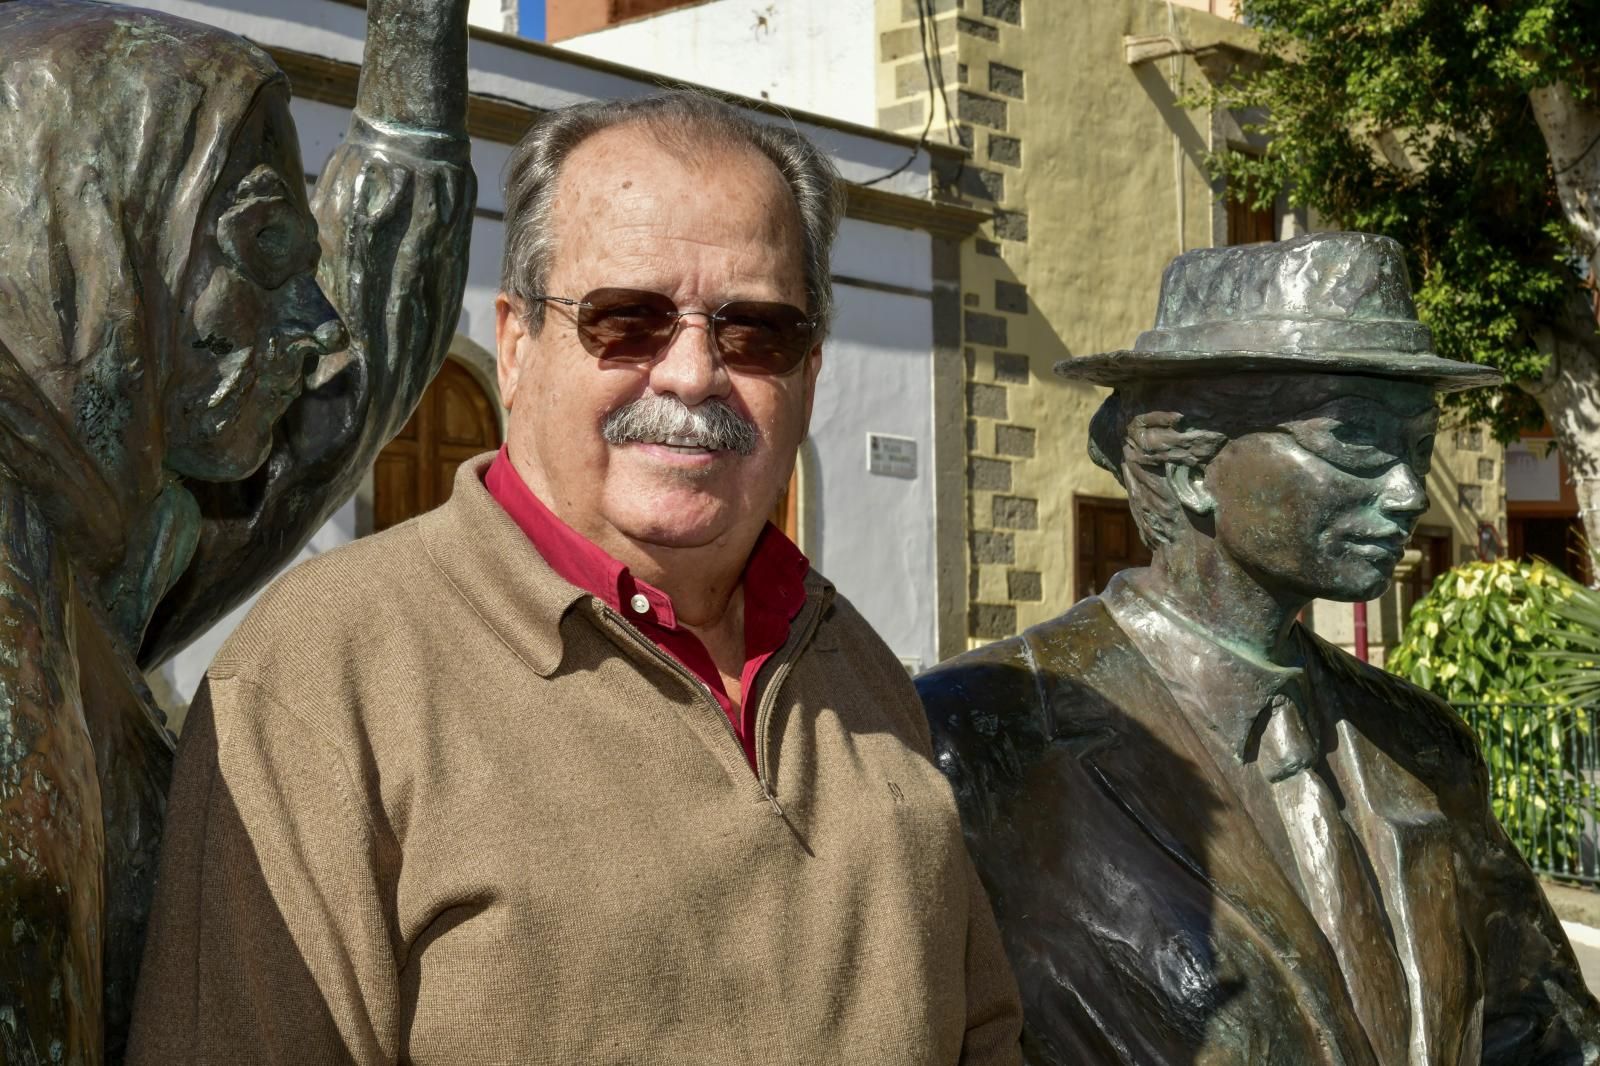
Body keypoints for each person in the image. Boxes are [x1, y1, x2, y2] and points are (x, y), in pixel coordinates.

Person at [128, 92, 1024, 1064]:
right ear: (516, 347)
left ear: (808, 373)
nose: (693, 374)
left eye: (755, 330)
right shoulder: (323, 676)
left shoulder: (859, 669)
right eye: (627, 319)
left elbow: (982, 1035)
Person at [918, 232, 1600, 1065]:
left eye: (1418, 446)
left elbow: (1545, 1031)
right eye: (1356, 439)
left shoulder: (1423, 743)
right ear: (1192, 469)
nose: (1408, 491)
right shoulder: (978, 737)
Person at [0, 0, 472, 1058]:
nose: (316, 319)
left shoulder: (88, 548)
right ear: (83, 241)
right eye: (261, 248)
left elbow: (351, 385)